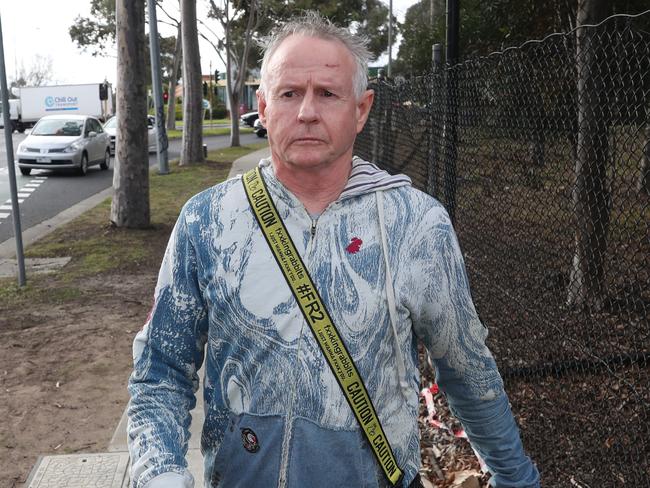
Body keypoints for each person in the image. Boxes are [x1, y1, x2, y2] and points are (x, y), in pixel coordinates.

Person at [127, 12, 541, 488]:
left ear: (361, 109)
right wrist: (160, 472)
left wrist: (516, 477)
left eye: (327, 93)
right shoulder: (207, 221)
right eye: (289, 93)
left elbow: (467, 369)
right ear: (263, 107)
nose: (306, 111)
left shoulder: (416, 225)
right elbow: (160, 372)